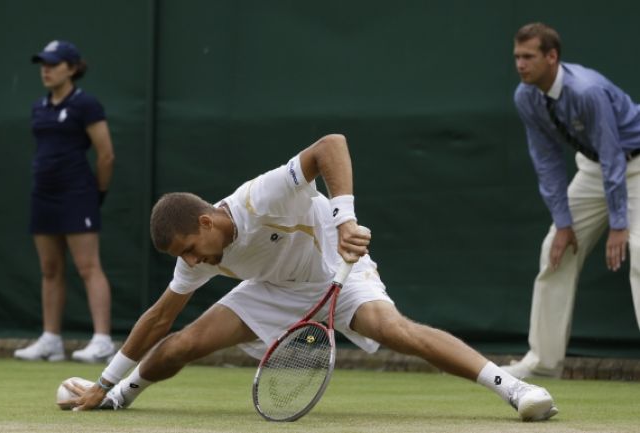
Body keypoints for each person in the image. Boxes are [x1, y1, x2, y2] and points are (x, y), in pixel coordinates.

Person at [62, 134, 557, 421]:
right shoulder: (196, 257)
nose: (191, 262)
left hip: (334, 268)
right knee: (182, 343)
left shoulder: (261, 197)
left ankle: (514, 389)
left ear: (207, 221)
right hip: (272, 289)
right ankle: (120, 399)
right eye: (183, 257)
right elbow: (158, 319)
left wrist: (344, 220)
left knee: (397, 332)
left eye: (191, 249)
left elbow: (330, 146)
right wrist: (107, 383)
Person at [503, 22, 640, 379]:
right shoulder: (526, 96)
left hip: (636, 165)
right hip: (595, 170)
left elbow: (613, 153)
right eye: (517, 56)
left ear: (552, 57)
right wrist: (564, 223)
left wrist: (619, 224)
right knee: (555, 250)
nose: (520, 64)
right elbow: (546, 162)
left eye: (528, 57)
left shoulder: (586, 90)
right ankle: (543, 362)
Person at [14, 40, 116, 363]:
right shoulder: (38, 107)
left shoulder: (86, 105)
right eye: (43, 63)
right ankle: (51, 339)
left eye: (53, 64)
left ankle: (102, 340)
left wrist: (97, 193)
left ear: (71, 68)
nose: (46, 69)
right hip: (43, 195)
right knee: (49, 268)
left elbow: (106, 155)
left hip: (78, 194)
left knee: (88, 267)